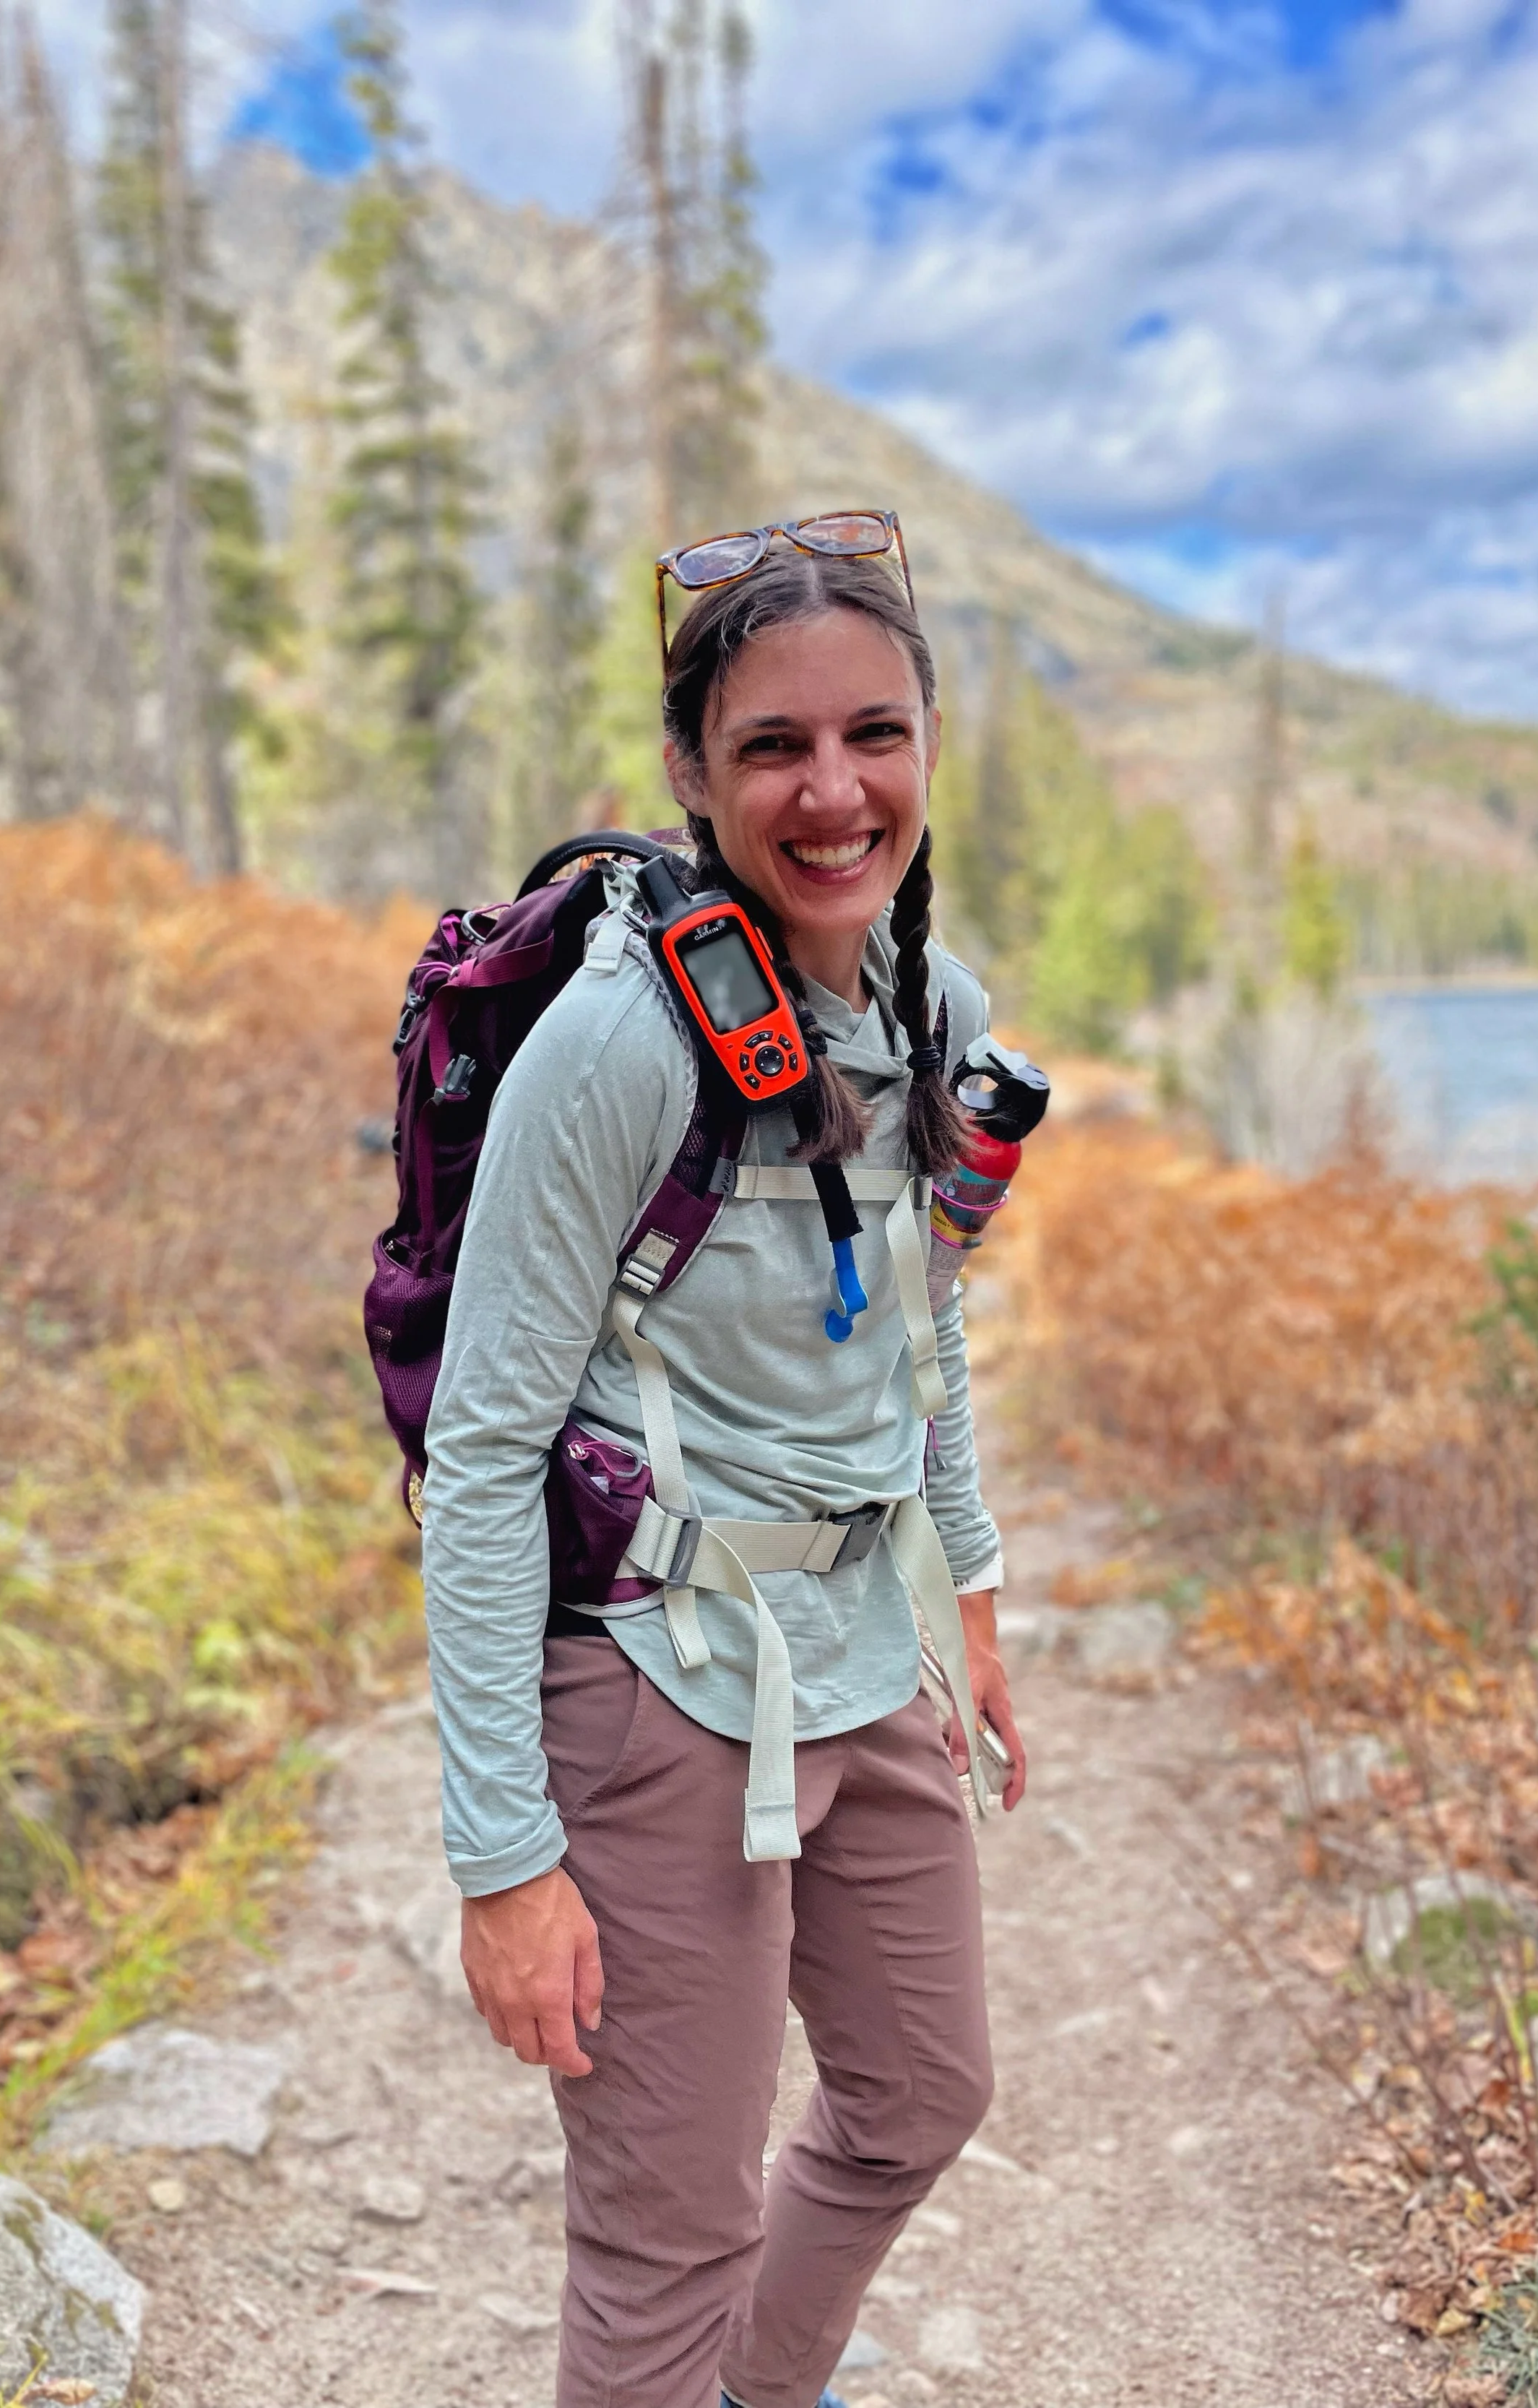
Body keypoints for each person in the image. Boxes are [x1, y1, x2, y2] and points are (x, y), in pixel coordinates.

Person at [420, 519, 1027, 2408]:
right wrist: (503, 1859)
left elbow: (920, 1320)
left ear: (928, 744)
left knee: (921, 2089)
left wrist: (970, 1586)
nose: (834, 791)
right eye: (774, 746)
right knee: (666, 2236)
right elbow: (482, 1450)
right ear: (692, 770)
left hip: (860, 1645)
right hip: (657, 1681)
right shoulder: (616, 1046)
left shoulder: (932, 1008)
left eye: (874, 733)